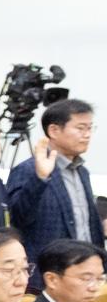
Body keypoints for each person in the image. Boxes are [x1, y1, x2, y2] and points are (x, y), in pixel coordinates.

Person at [8, 99, 99, 286]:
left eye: (90, 128)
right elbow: (18, 218)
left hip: (84, 274)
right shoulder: (29, 169)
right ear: (54, 131)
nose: (87, 135)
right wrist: (40, 178)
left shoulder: (82, 172)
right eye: (81, 128)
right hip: (48, 275)